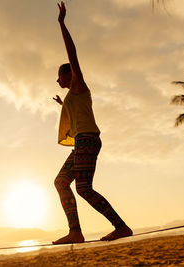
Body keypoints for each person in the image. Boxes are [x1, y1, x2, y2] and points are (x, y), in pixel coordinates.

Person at [52, 1, 133, 245]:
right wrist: (62, 105)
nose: (58, 80)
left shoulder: (78, 83)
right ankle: (75, 230)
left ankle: (121, 227)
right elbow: (78, 112)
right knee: (61, 182)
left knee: (84, 188)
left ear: (69, 74)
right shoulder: (72, 95)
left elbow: (72, 55)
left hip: (87, 140)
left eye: (60, 75)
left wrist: (62, 24)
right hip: (81, 142)